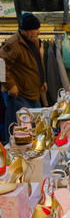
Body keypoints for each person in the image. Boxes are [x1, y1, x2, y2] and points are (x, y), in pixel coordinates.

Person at [0, 13, 47, 143]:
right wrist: (10, 85)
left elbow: (37, 62)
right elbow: (1, 66)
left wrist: (42, 80)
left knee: (34, 131)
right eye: (36, 29)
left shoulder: (34, 41)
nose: (39, 32)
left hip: (34, 94)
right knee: (18, 134)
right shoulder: (13, 45)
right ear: (25, 31)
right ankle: (15, 160)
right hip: (20, 96)